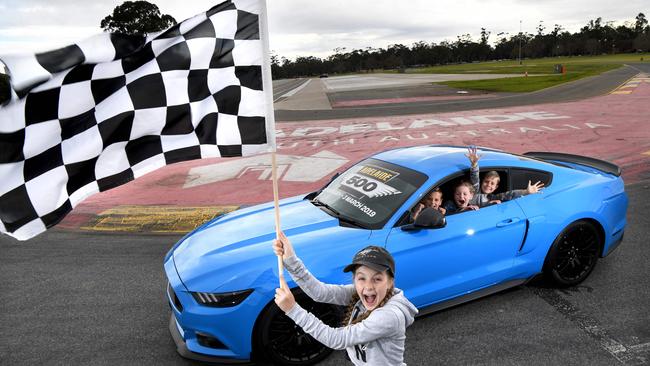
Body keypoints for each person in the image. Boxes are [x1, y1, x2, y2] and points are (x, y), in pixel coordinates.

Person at [273, 231, 418, 366]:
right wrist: (290, 260)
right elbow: (320, 293)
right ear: (354, 279)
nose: (368, 287)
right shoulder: (358, 293)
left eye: (377, 279)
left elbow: (337, 339)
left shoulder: (389, 316)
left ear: (390, 282)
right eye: (362, 278)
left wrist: (293, 310)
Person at [466, 146, 544, 206]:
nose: (488, 185)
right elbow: (474, 177)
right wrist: (474, 164)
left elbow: (510, 194)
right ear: (482, 181)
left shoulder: (494, 198)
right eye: (486, 181)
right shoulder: (474, 191)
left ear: (496, 187)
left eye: (492, 183)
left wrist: (526, 192)